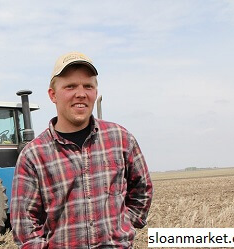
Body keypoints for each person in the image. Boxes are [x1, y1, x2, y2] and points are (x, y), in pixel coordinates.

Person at [10, 52, 153, 248]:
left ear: (95, 91)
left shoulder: (120, 139)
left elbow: (142, 190)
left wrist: (125, 225)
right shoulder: (33, 155)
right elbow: (25, 227)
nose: (81, 93)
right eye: (70, 86)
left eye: (88, 86)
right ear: (53, 95)